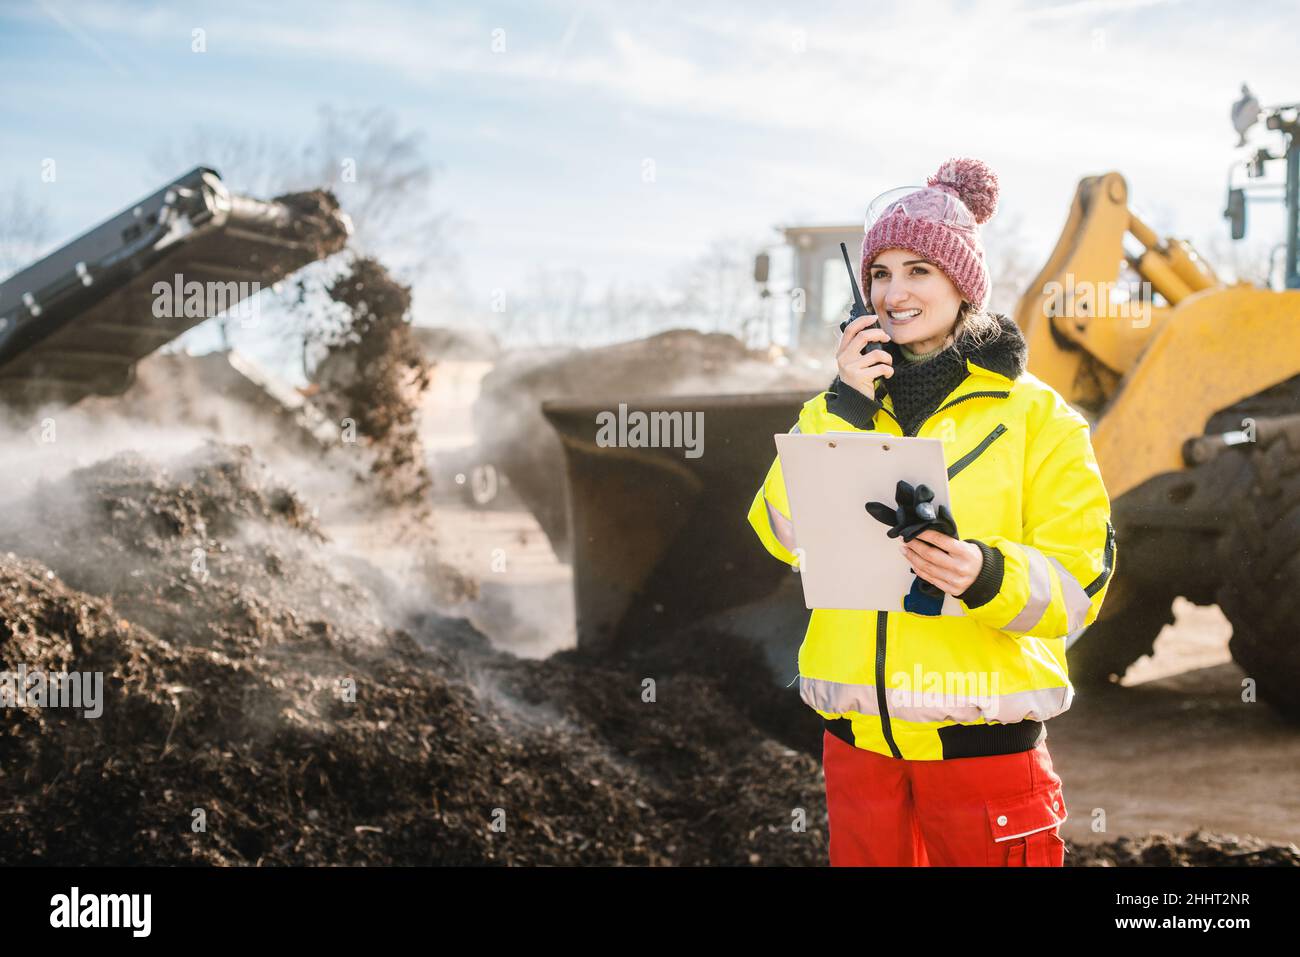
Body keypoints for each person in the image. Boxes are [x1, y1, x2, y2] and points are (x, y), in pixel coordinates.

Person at [746, 157, 1117, 867]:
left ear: (962, 282)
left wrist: (986, 573)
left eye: (918, 270)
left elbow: (1080, 584)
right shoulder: (836, 406)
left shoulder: (1039, 418)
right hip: (859, 758)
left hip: (982, 763)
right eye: (880, 273)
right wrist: (846, 409)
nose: (893, 291)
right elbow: (777, 530)